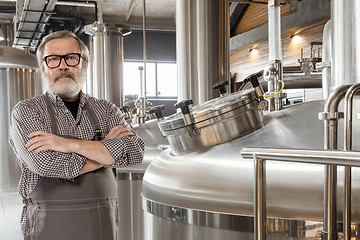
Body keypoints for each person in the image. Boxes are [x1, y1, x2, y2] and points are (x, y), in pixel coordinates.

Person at [8, 30, 145, 240]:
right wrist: (105, 149)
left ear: (85, 64)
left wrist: (70, 145)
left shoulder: (106, 109)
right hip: (48, 228)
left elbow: (135, 151)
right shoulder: (27, 111)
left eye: (71, 58)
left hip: (102, 226)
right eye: (53, 59)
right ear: (43, 67)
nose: (63, 66)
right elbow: (46, 164)